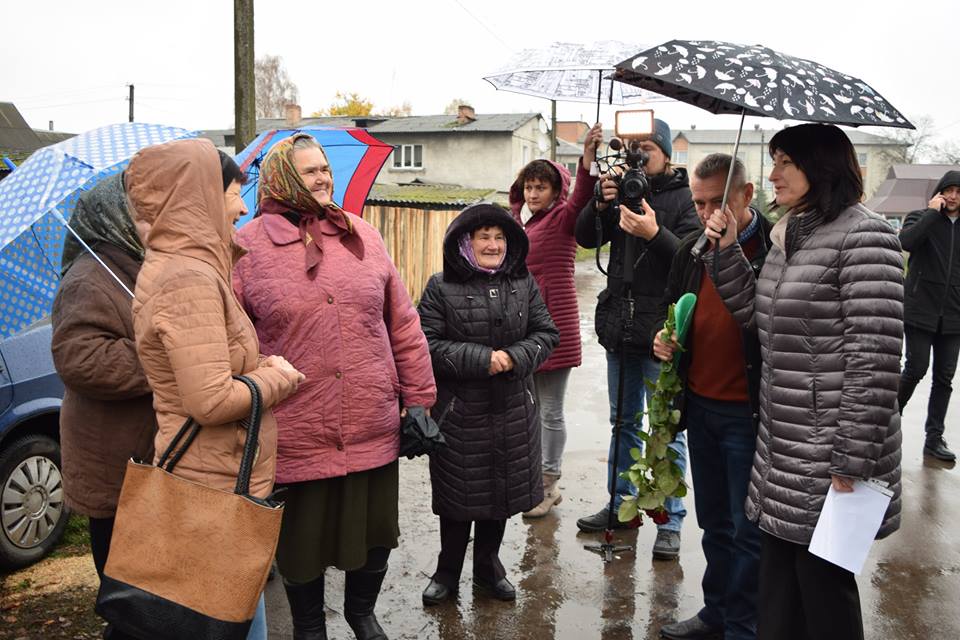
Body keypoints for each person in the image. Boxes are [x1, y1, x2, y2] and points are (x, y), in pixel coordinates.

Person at [702, 123, 902, 640]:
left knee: (823, 595)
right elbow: (759, 316)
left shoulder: (866, 236)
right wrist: (726, 251)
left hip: (832, 452)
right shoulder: (789, 233)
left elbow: (875, 359)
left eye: (785, 162)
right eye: (774, 162)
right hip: (783, 444)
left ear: (821, 165)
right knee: (779, 593)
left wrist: (851, 458)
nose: (774, 175)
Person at [233, 133, 436, 640]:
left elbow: (402, 324)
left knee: (375, 533)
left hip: (371, 419)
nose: (323, 177)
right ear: (283, 178)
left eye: (324, 168)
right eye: (309, 170)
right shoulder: (246, 248)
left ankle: (362, 614)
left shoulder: (362, 234)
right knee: (302, 544)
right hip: (297, 428)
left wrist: (419, 399)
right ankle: (308, 627)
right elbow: (234, 340)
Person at [128, 139, 305, 640]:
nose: (243, 207)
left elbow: (210, 365)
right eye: (232, 192)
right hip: (211, 488)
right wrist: (277, 377)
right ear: (198, 197)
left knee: (231, 615)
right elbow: (210, 400)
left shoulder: (190, 269)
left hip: (213, 478)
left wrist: (258, 364)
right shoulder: (188, 279)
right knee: (227, 622)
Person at [417, 204, 559, 606]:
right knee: (459, 497)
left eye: (499, 237)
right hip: (460, 414)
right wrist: (482, 359)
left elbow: (547, 333)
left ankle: (488, 568)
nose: (493, 245)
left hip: (513, 409)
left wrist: (515, 356)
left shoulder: (523, 283)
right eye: (484, 237)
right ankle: (447, 572)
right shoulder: (440, 287)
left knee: (500, 495)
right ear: (466, 242)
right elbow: (425, 344)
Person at [652, 154, 769, 640]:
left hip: (748, 413)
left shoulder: (775, 248)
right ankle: (715, 612)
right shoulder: (690, 250)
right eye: (698, 203)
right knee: (715, 523)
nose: (704, 213)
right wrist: (664, 339)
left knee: (748, 530)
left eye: (714, 202)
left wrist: (731, 251)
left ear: (746, 195)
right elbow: (672, 310)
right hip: (700, 407)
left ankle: (743, 626)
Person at [573, 118, 701, 559]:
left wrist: (654, 233)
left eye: (647, 146)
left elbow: (693, 260)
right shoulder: (618, 189)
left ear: (666, 153)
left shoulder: (684, 198)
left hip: (661, 330)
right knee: (623, 423)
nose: (639, 155)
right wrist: (598, 202)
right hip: (620, 325)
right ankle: (621, 507)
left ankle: (670, 519)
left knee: (667, 428)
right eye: (633, 146)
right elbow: (583, 237)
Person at [50, 173, 156, 640]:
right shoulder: (88, 276)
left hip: (144, 461)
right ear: (113, 218)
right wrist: (163, 358)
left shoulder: (136, 266)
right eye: (141, 214)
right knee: (129, 603)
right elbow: (79, 358)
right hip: (112, 466)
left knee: (157, 595)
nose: (153, 221)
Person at [508, 123, 602, 517]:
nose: (533, 194)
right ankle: (535, 478)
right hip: (524, 330)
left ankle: (548, 482)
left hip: (554, 328)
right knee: (529, 410)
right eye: (528, 187)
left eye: (541, 187)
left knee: (550, 411)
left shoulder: (564, 217)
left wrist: (587, 157)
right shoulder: (521, 224)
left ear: (555, 190)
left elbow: (582, 197)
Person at [897, 169, 960, 462]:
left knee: (944, 378)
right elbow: (906, 242)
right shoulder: (920, 217)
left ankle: (934, 439)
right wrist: (933, 214)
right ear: (940, 192)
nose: (954, 197)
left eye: (959, 192)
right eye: (949, 190)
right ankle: (886, 422)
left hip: (954, 315)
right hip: (920, 309)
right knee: (915, 369)